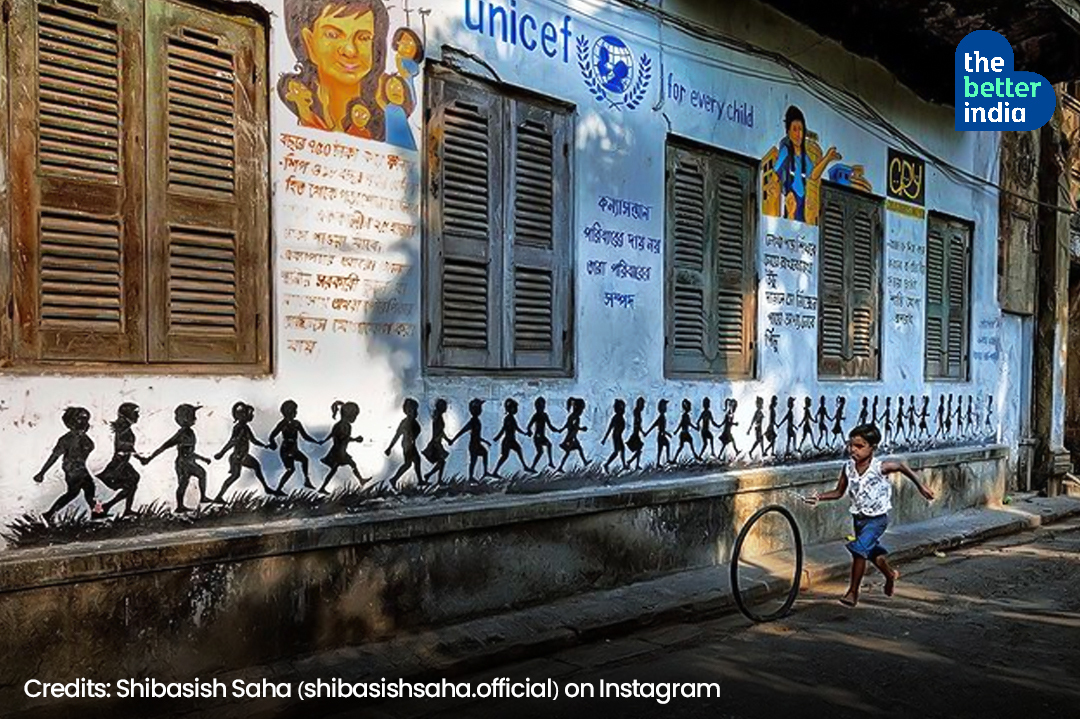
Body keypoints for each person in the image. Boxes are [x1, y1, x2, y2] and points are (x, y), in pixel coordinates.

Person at [806, 423, 935, 607]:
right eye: (851, 445)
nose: (853, 450)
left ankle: (852, 592)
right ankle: (890, 574)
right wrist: (819, 497)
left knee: (859, 552)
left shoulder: (879, 467)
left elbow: (900, 466)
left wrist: (921, 486)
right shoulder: (848, 467)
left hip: (877, 520)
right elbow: (839, 492)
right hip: (858, 519)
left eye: (859, 446)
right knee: (872, 554)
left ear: (872, 448)